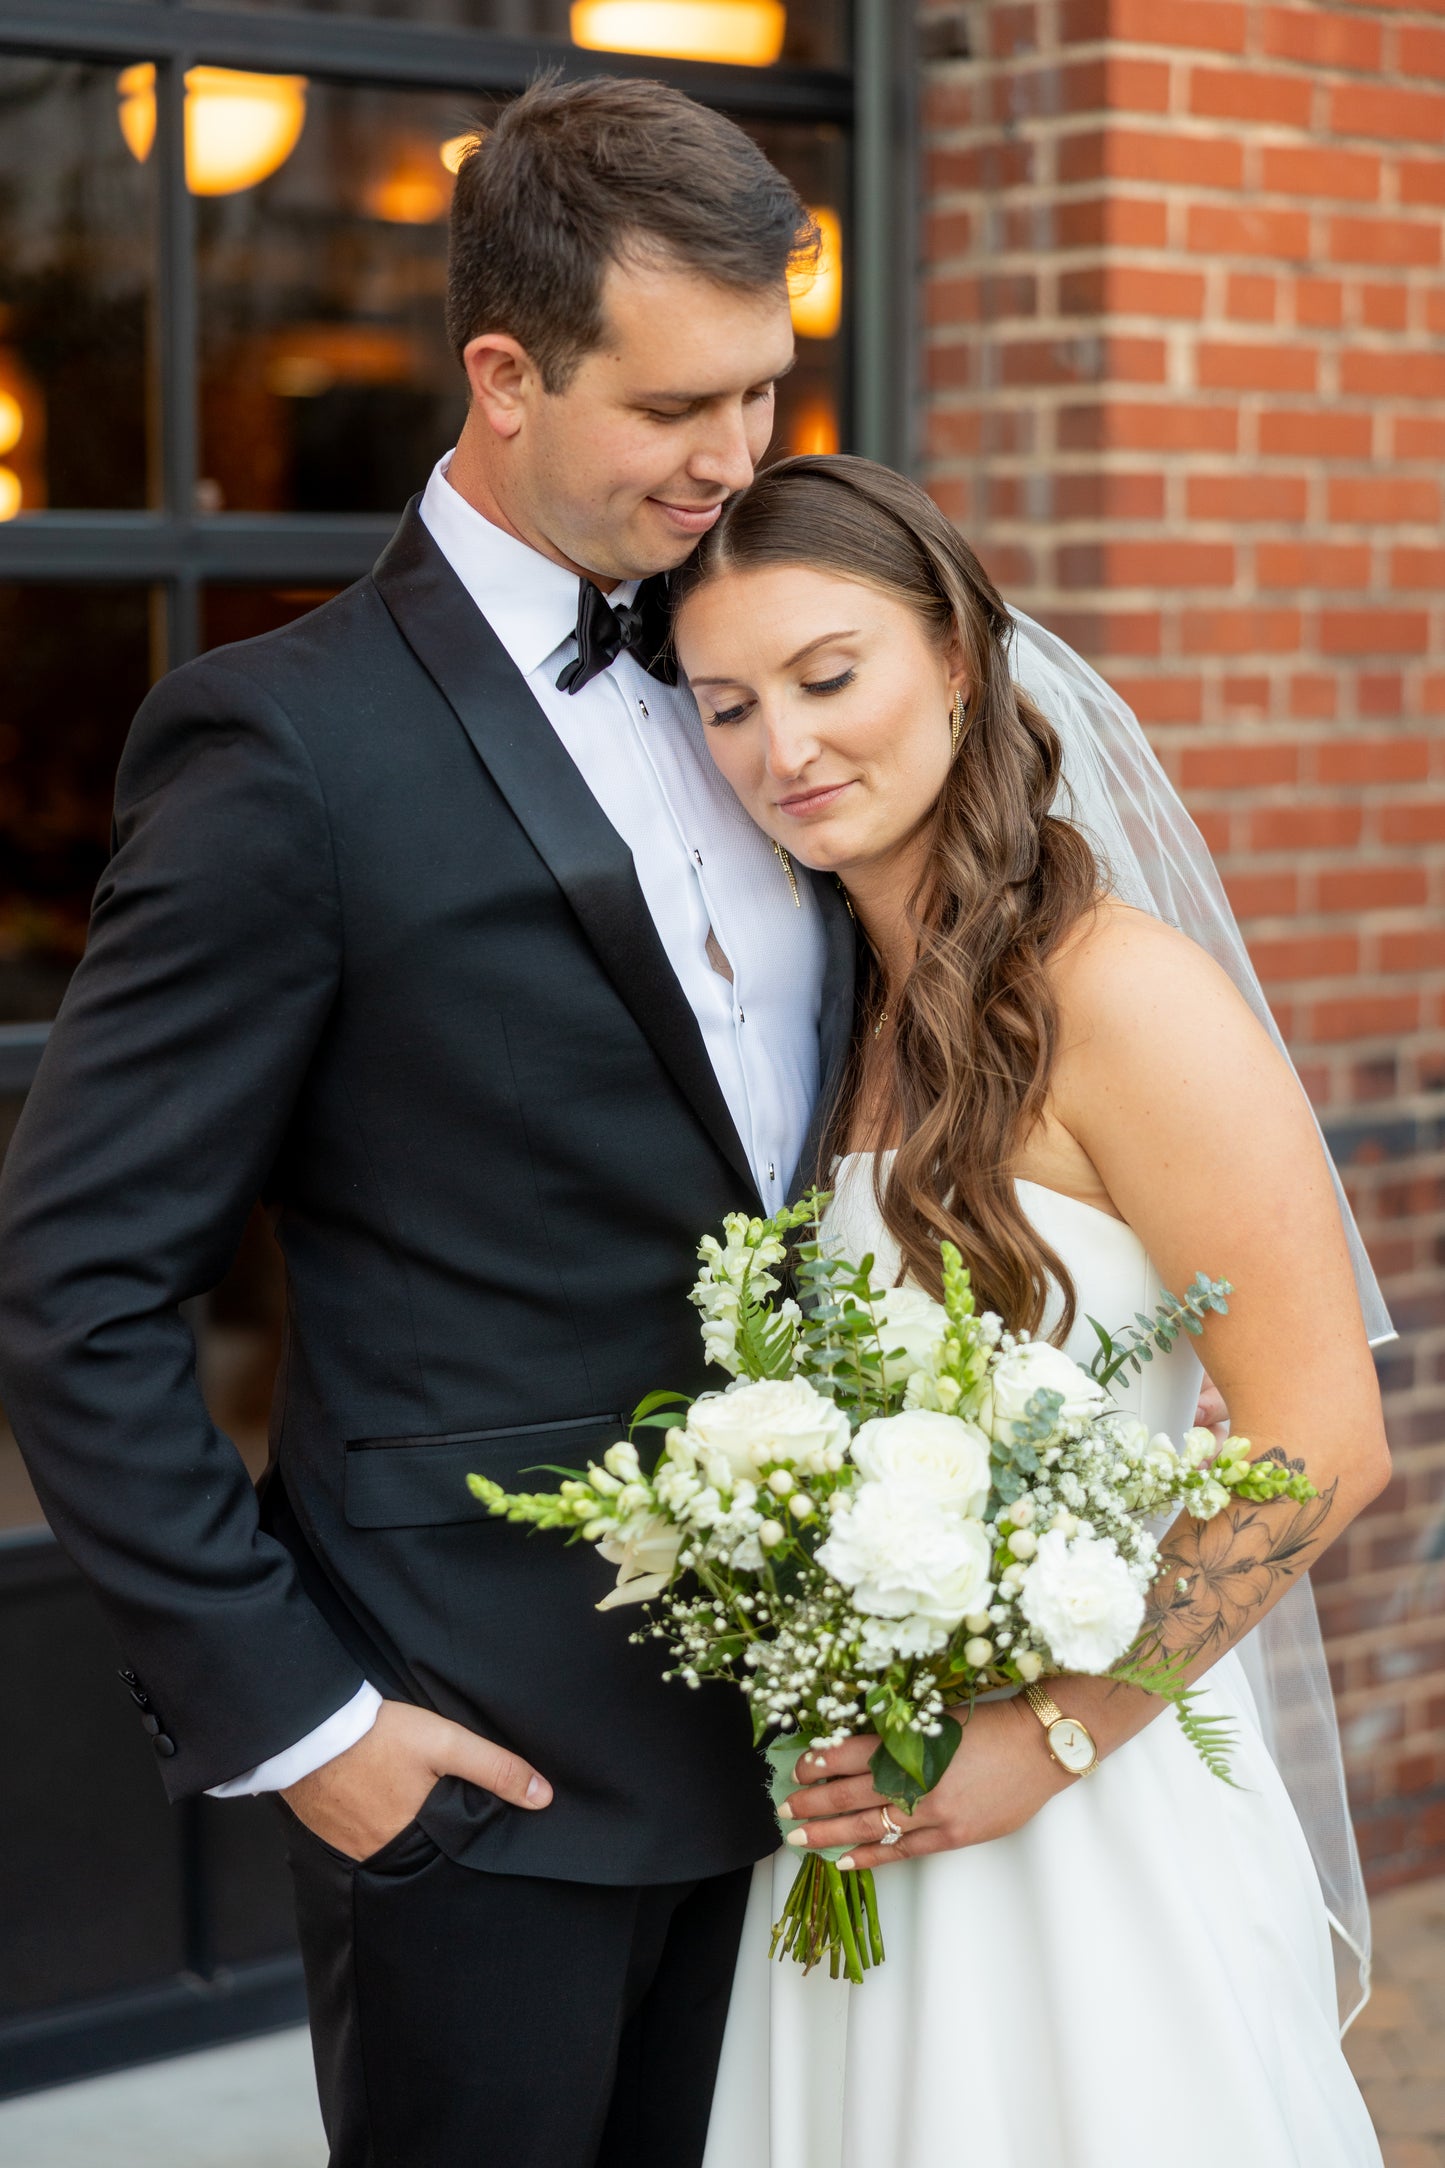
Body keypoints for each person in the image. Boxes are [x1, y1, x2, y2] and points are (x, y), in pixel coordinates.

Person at [0, 76, 841, 2168]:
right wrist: (312, 1727)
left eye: (767, 391)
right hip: (478, 1765)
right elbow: (76, 1280)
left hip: (816, 1732)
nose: (737, 457)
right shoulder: (281, 751)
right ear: (503, 373)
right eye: (676, 408)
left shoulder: (785, 675)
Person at [668, 454, 1389, 2168]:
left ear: (959, 663)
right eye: (727, 706)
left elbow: (1320, 1439)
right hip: (859, 1819)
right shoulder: (819, 1021)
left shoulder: (1120, 997)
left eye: (829, 678)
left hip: (1085, 1827)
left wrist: (1048, 1735)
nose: (785, 749)